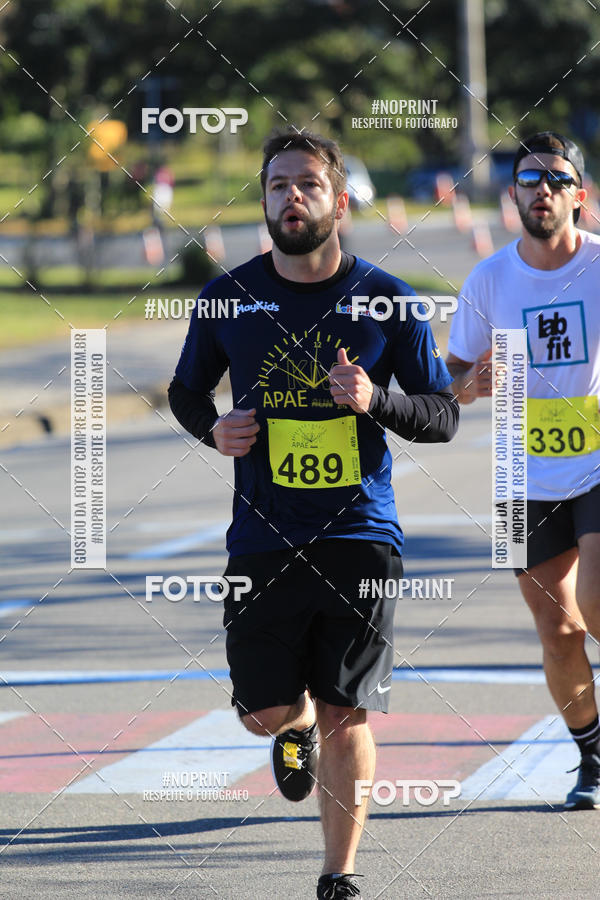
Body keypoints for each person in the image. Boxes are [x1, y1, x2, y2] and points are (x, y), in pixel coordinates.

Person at [169, 128, 459, 898]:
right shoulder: (229, 297)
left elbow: (443, 413)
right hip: (262, 538)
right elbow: (186, 390)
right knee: (266, 713)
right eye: (276, 186)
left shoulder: (386, 299)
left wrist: (377, 400)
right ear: (263, 201)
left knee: (348, 713)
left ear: (339, 199)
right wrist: (212, 428)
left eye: (307, 184)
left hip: (361, 536)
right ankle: (288, 727)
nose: (290, 197)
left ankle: (340, 875)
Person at [446, 131, 600, 810]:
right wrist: (472, 384)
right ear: (512, 196)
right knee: (557, 631)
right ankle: (593, 759)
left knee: (596, 604)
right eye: (529, 180)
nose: (543, 190)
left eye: (556, 180)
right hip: (519, 473)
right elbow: (447, 379)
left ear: (580, 196)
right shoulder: (489, 278)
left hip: (597, 460)